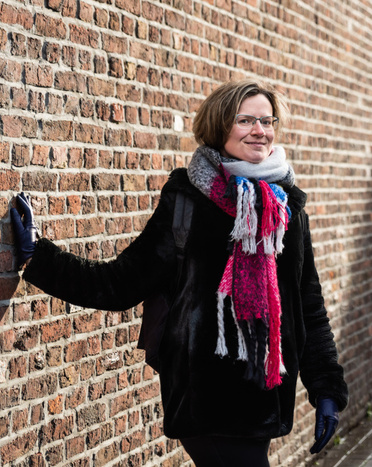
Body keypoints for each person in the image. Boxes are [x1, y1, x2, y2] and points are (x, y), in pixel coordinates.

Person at [10, 80, 349, 466]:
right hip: (205, 401)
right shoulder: (187, 202)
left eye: (267, 121)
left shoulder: (286, 210)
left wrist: (326, 389)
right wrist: (38, 255)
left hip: (264, 403)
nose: (260, 130)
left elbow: (308, 306)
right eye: (246, 120)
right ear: (220, 126)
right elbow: (118, 284)